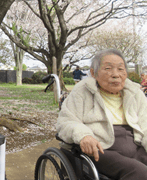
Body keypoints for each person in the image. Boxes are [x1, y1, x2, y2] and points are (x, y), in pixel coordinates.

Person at [57, 49, 147, 180]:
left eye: (121, 69)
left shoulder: (135, 93)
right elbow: (66, 120)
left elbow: (145, 123)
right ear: (93, 73)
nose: (115, 74)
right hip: (101, 148)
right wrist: (84, 135)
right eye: (108, 68)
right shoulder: (82, 91)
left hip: (136, 145)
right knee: (140, 172)